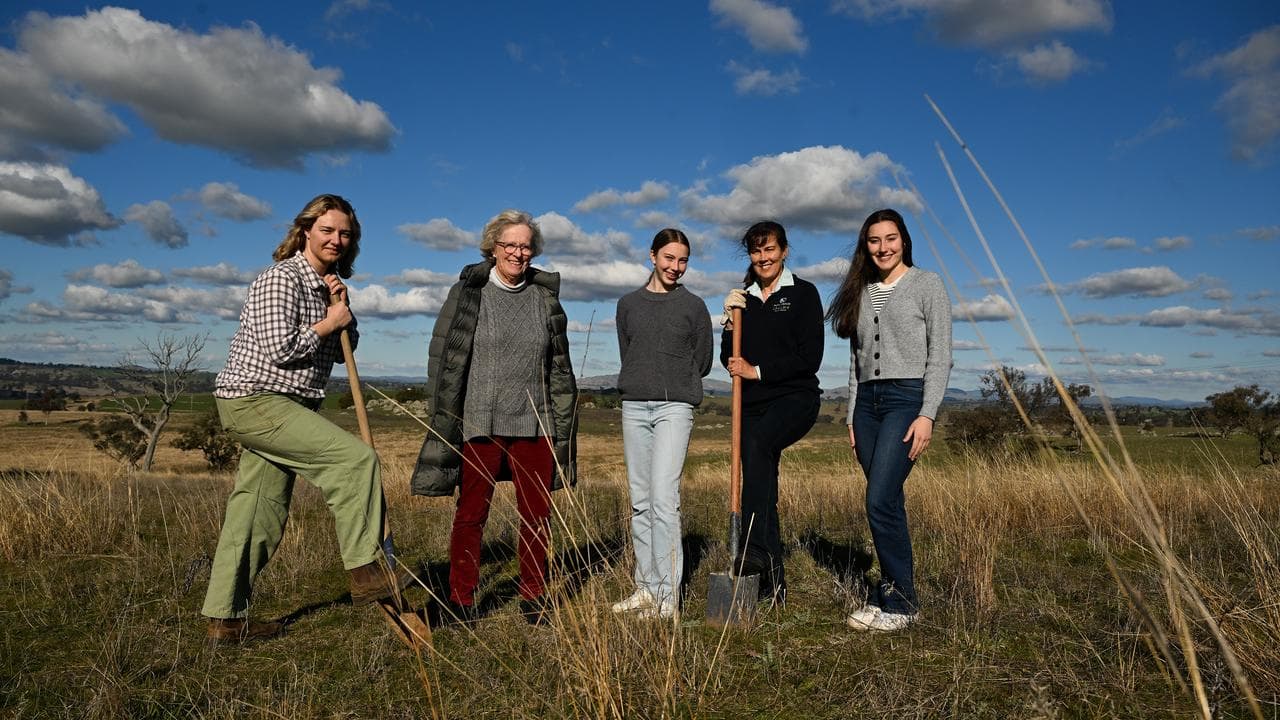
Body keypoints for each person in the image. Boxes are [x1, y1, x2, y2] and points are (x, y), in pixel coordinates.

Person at [203, 193, 410, 645]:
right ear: (305, 231)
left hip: (288, 408)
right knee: (355, 462)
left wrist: (343, 316)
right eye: (328, 230)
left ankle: (226, 621)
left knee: (257, 514)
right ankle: (367, 571)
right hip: (257, 401)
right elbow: (281, 350)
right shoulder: (280, 279)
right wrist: (327, 323)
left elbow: (340, 354)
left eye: (345, 234)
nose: (337, 239)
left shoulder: (327, 287)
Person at [410, 209, 578, 626]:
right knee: (470, 515)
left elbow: (560, 369)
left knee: (536, 516)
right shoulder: (469, 294)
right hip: (478, 420)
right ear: (493, 247)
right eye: (510, 245)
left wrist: (560, 424)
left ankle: (533, 596)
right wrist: (445, 414)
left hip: (534, 422)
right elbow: (444, 361)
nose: (518, 253)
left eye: (526, 246)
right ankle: (461, 599)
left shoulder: (545, 300)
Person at [827, 208, 952, 632]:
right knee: (888, 499)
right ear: (866, 246)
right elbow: (856, 358)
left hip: (906, 399)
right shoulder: (860, 291)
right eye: (875, 240)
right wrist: (850, 415)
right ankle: (894, 594)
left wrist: (927, 414)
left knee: (879, 499)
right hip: (867, 407)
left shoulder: (926, 284)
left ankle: (901, 605)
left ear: (904, 241)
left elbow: (941, 355)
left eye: (891, 238)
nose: (883, 247)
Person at [610, 229, 713, 619]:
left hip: (675, 408)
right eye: (669, 258)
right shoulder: (627, 304)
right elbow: (629, 352)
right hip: (634, 406)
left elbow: (701, 361)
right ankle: (646, 588)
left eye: (683, 260)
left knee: (663, 501)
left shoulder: (694, 306)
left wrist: (671, 380)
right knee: (640, 501)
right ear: (652, 256)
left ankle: (668, 598)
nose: (675, 266)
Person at [720, 220, 824, 605]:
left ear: (784, 251)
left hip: (795, 399)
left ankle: (755, 553)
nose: (763, 257)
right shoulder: (743, 300)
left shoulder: (803, 294)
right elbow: (728, 360)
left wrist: (757, 371)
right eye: (756, 251)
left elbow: (809, 358)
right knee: (760, 484)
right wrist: (731, 324)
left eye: (770, 249)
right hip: (751, 405)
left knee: (760, 449)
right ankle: (772, 584)